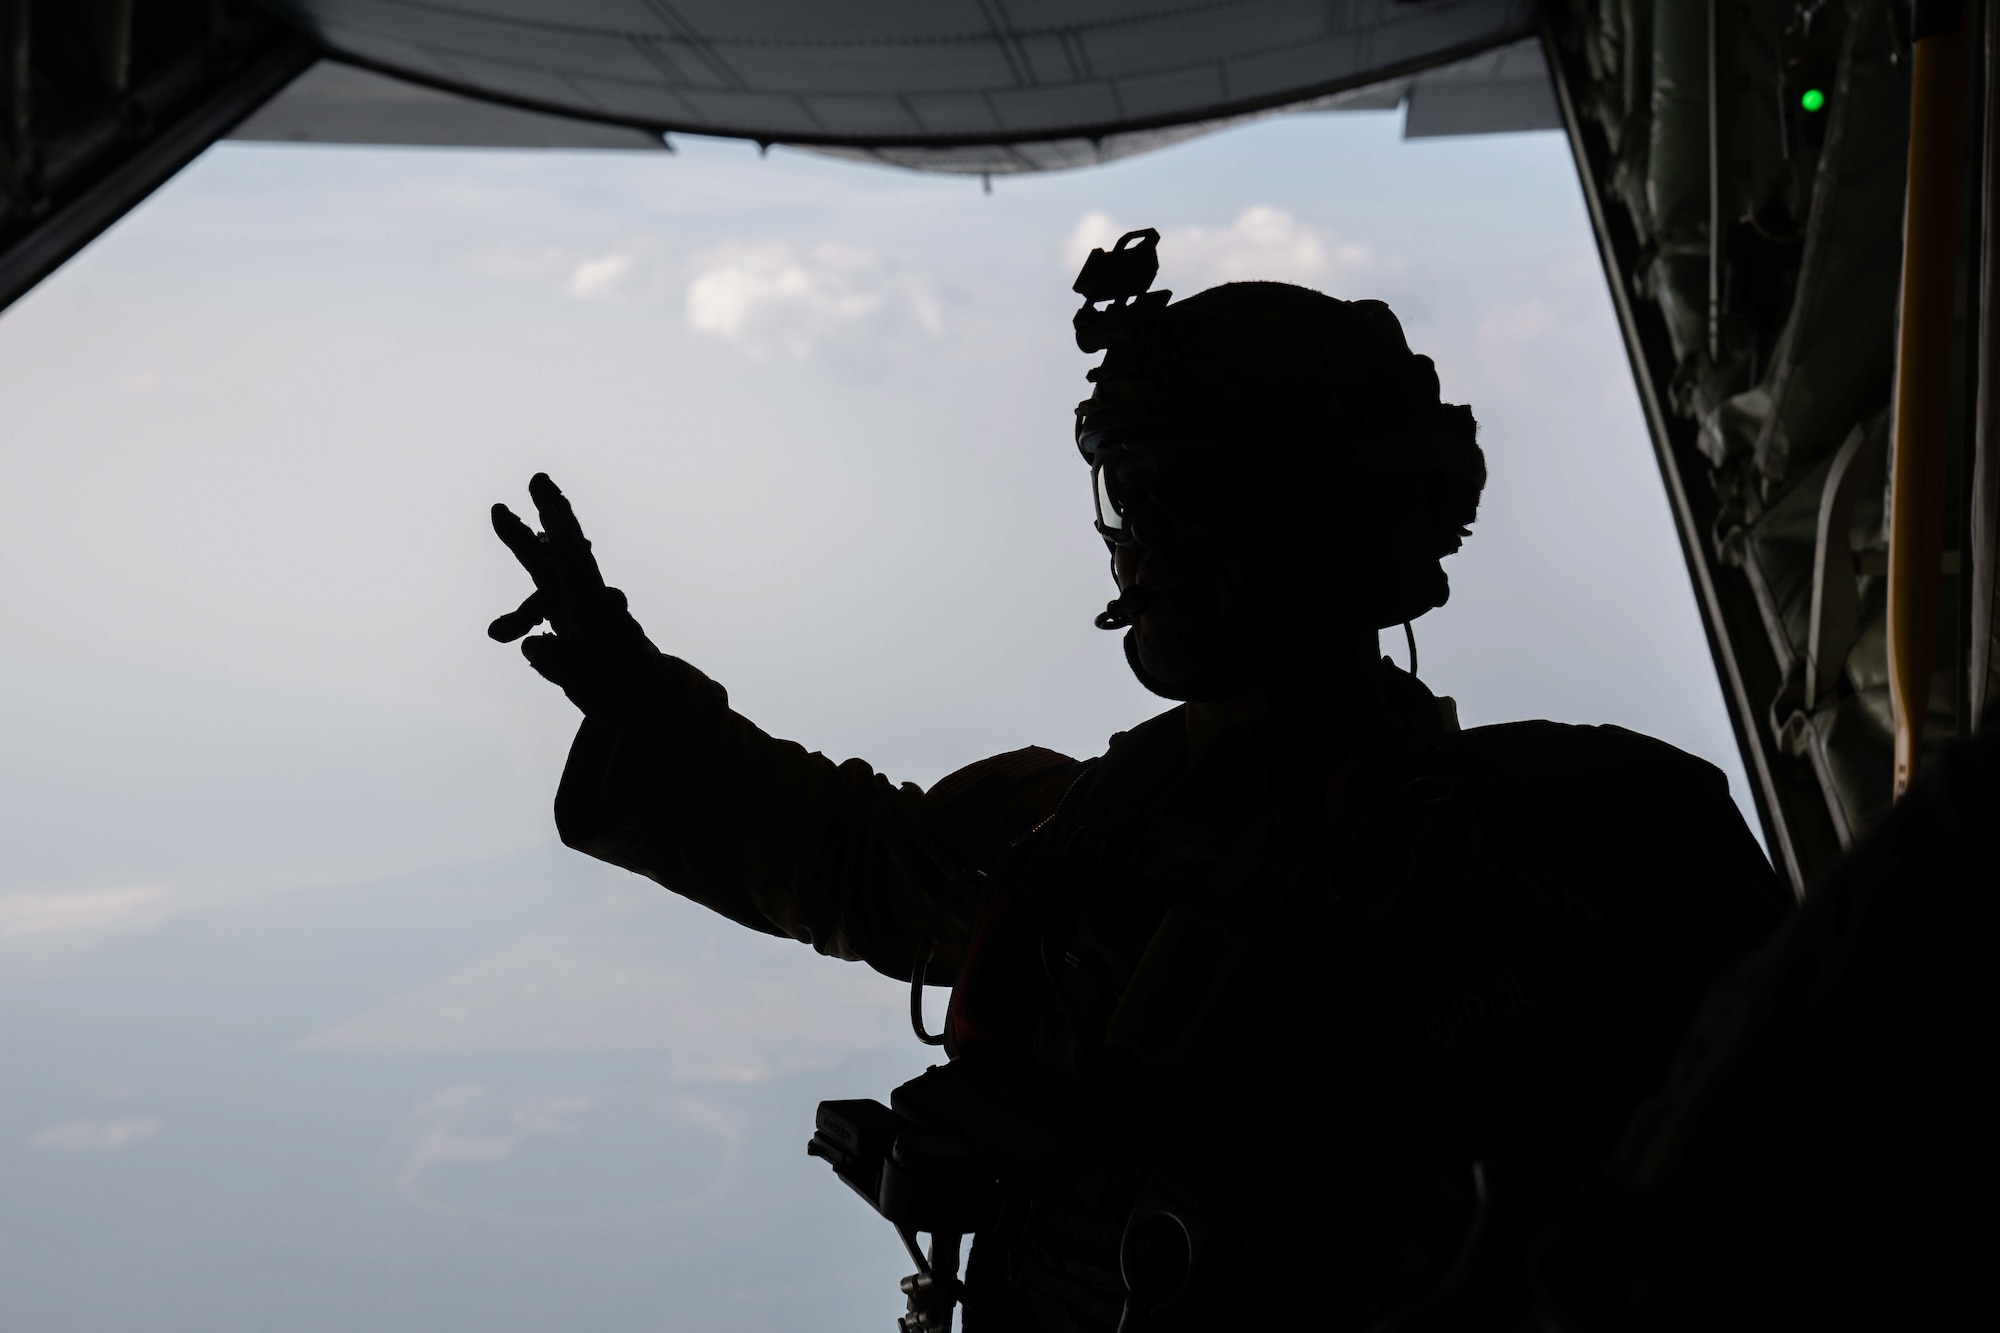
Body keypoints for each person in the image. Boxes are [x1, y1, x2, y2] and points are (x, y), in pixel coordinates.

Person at [487, 230, 1787, 1331]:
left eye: (1188, 495)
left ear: (1323, 522)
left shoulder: (1589, 844)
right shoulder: (1082, 828)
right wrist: (632, 688)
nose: (1142, 545)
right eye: (1129, 493)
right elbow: (858, 862)